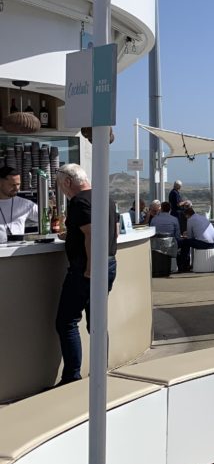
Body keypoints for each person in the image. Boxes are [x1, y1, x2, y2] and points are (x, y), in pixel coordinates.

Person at [54, 163, 117, 385]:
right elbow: (112, 230)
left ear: (68, 182)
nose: (61, 190)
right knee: (97, 322)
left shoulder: (79, 201)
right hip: (108, 264)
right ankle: (102, 372)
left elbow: (91, 234)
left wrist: (91, 268)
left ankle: (72, 377)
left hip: (87, 268)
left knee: (67, 321)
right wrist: (70, 236)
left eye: (61, 185)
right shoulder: (105, 197)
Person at [0, 164, 39, 240]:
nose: (16, 188)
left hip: (18, 249)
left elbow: (46, 218)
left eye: (18, 184)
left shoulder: (25, 204)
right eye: (12, 185)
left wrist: (51, 207)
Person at [177, 204, 214, 272]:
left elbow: (190, 237)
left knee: (185, 242)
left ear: (187, 215)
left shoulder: (190, 220)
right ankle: (185, 265)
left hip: (206, 244)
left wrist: (185, 235)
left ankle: (184, 265)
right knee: (188, 242)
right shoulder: (202, 217)